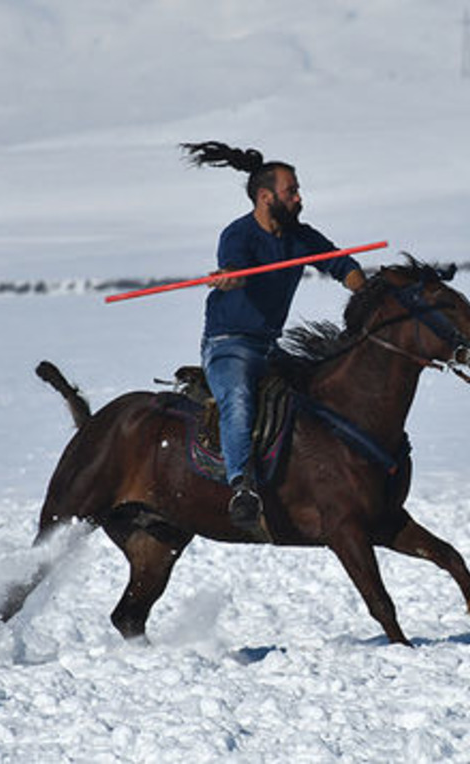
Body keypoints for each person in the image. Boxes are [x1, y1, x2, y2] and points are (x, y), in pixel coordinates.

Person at [181, 141, 366, 534]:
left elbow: (340, 263)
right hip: (228, 343)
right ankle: (242, 487)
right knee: (240, 399)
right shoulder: (239, 234)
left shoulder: (300, 237)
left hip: (269, 346)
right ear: (266, 197)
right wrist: (230, 277)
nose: (299, 198)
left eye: (297, 190)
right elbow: (234, 266)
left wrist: (363, 290)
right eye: (291, 191)